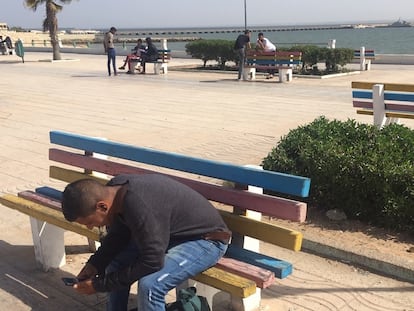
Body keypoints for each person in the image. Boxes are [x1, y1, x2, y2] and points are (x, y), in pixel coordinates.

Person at [61, 174, 230, 311]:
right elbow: (119, 234)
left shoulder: (139, 204)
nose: (91, 228)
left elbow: (152, 262)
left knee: (150, 286)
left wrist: (100, 285)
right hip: (167, 236)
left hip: (205, 241)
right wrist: (96, 264)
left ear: (102, 207)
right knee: (115, 263)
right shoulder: (115, 191)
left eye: (90, 222)